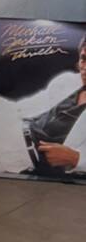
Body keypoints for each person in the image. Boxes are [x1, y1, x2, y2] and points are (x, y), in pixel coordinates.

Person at [28, 34, 86, 175]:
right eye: (84, 59)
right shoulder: (66, 82)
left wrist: (76, 158)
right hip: (20, 141)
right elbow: (25, 107)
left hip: (46, 169)